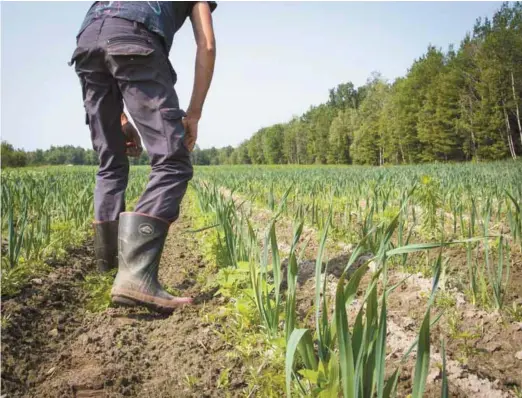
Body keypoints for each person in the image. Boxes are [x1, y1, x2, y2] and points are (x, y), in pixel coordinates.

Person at [69, 1, 217, 314]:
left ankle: (107, 274)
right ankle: (134, 276)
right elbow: (207, 44)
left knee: (110, 163)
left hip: (88, 40)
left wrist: (120, 118)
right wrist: (195, 112)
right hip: (135, 40)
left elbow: (105, 36)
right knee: (172, 162)